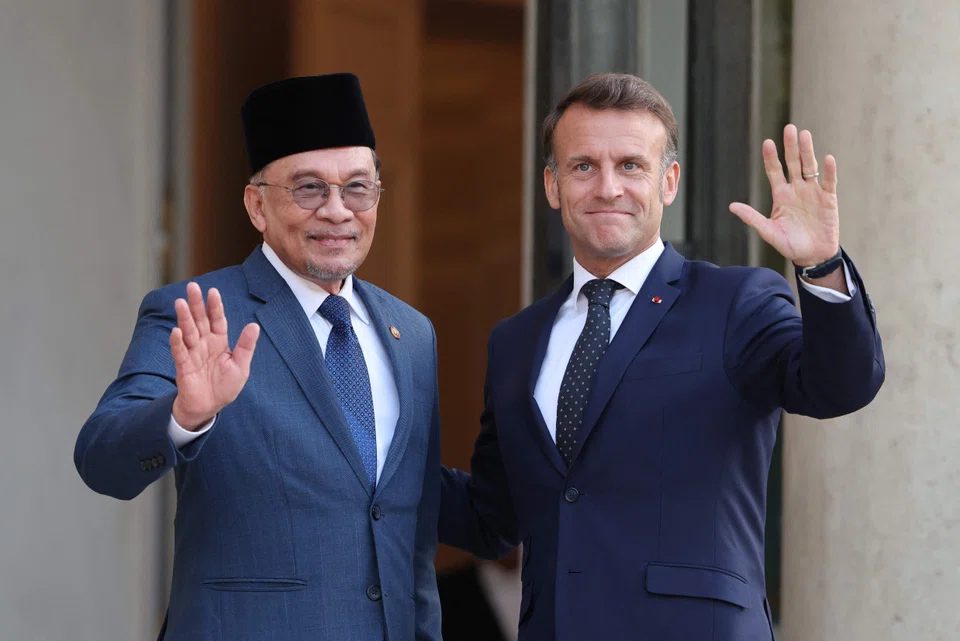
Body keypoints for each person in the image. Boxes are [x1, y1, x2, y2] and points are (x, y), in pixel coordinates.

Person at [439, 73, 885, 641]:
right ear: (552, 186)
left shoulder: (735, 302)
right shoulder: (515, 340)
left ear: (668, 182)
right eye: (583, 167)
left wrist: (821, 268)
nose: (607, 188)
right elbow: (492, 518)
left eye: (630, 165)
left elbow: (841, 386)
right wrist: (364, 462)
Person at [74, 73, 441, 641]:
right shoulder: (196, 311)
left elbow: (409, 535)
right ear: (257, 205)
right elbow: (102, 460)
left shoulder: (411, 333)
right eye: (309, 188)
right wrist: (184, 416)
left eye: (358, 188)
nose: (338, 211)